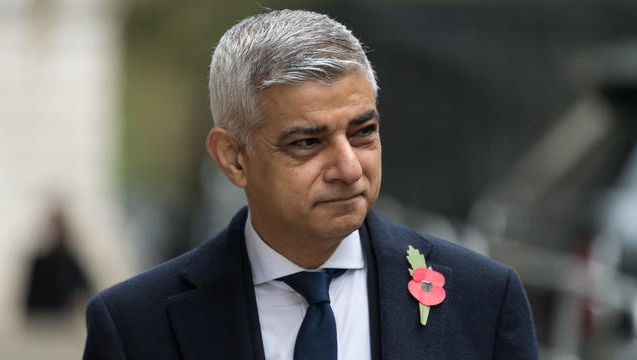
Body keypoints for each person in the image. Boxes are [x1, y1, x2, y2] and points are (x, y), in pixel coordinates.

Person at [83, 9, 538, 359]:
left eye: (363, 132)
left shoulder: (483, 299)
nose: (349, 168)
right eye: (306, 142)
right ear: (233, 158)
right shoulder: (134, 325)